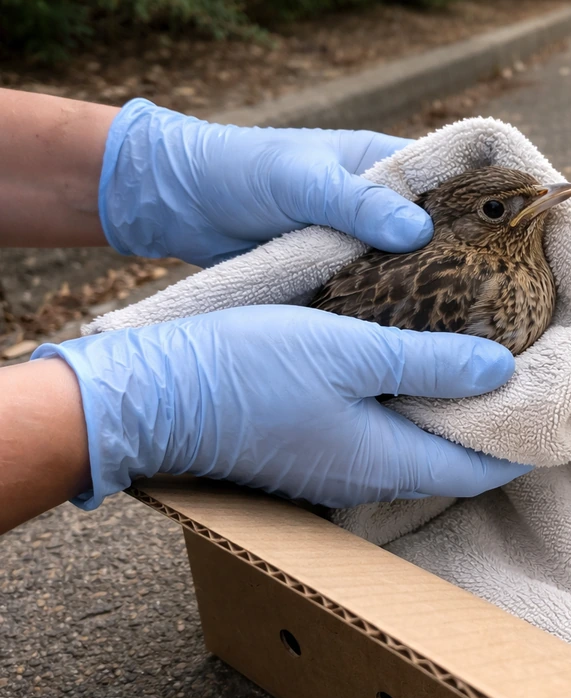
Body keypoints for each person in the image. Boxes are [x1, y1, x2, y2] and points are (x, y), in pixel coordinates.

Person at [0, 89, 531, 535]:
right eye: (494, 212)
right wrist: (149, 404)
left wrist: (153, 166)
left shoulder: (506, 269)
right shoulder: (472, 281)